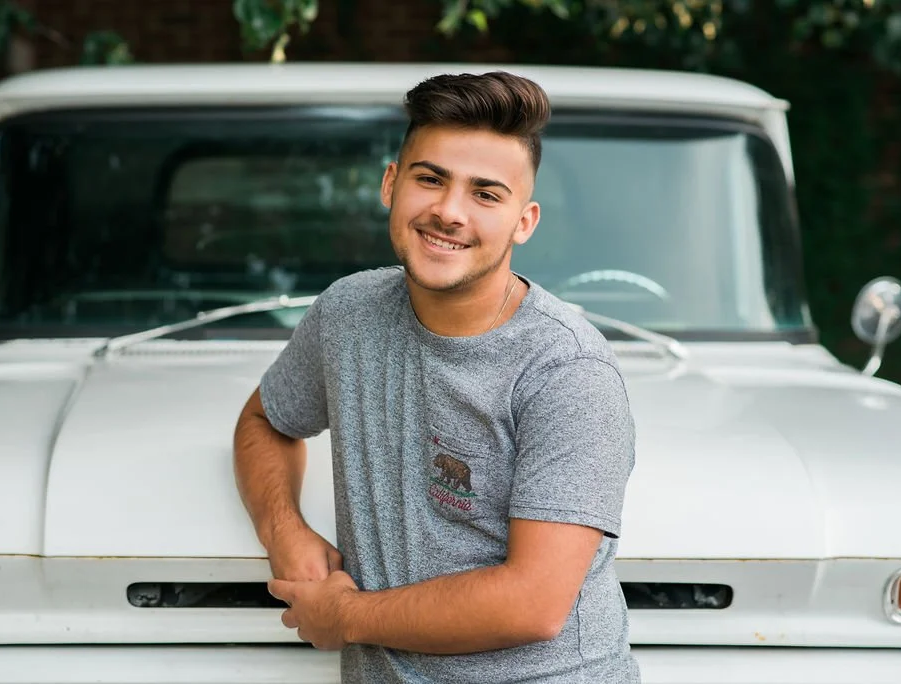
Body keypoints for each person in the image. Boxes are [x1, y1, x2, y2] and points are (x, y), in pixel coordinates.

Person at [233, 70, 640, 683]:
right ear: (391, 184)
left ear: (523, 222)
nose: (449, 212)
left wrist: (345, 617)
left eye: (485, 194)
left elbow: (533, 603)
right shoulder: (348, 313)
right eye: (431, 179)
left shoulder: (567, 372)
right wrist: (283, 530)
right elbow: (265, 420)